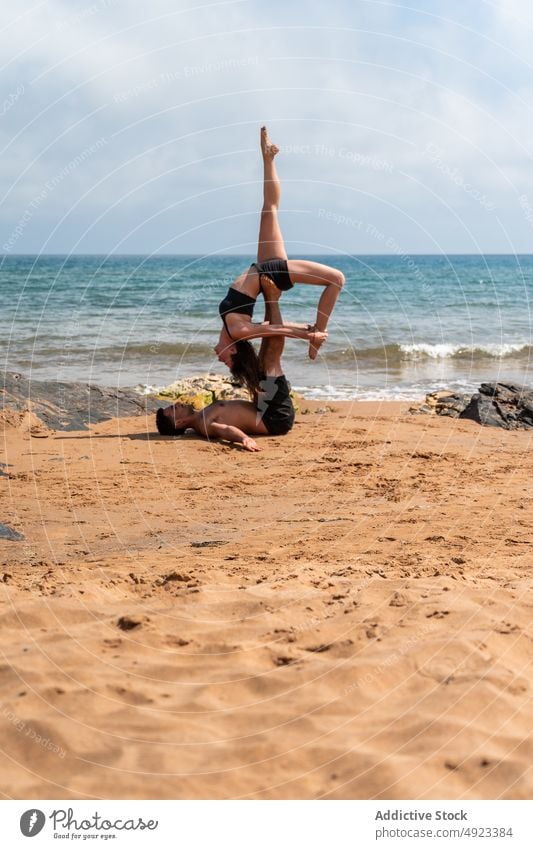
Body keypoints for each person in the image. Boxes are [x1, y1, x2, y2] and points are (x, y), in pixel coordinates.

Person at [215, 126, 345, 392]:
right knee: (336, 279)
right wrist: (309, 332)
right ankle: (318, 335)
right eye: (228, 361)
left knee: (269, 210)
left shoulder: (232, 326)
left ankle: (268, 158)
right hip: (269, 274)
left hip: (262, 269)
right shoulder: (238, 332)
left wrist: (300, 328)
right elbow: (276, 331)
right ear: (235, 350)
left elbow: (270, 326)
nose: (221, 360)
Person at [156, 280, 294, 452]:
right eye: (173, 409)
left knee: (264, 354)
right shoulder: (204, 425)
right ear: (179, 423)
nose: (177, 404)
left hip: (264, 406)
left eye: (173, 405)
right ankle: (273, 298)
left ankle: (271, 298)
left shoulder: (203, 414)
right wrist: (244, 438)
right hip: (275, 419)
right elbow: (227, 430)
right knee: (270, 360)